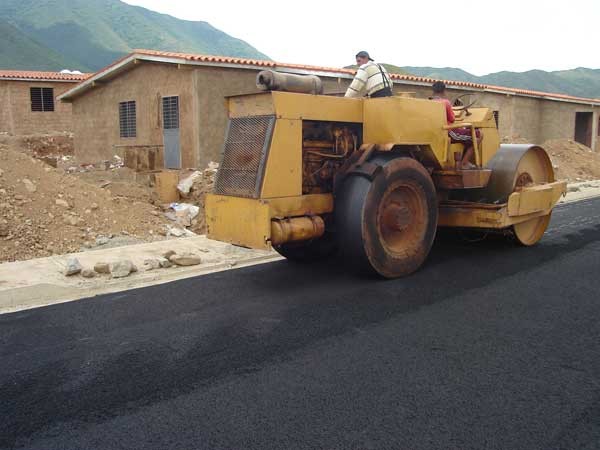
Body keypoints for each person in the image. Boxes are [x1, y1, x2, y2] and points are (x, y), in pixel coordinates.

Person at [431, 81, 482, 170]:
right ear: (444, 91)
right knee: (478, 134)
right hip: (448, 131)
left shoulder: (429, 102)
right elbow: (452, 119)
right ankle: (464, 163)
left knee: (465, 133)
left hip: (436, 131)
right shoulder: (446, 102)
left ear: (433, 91)